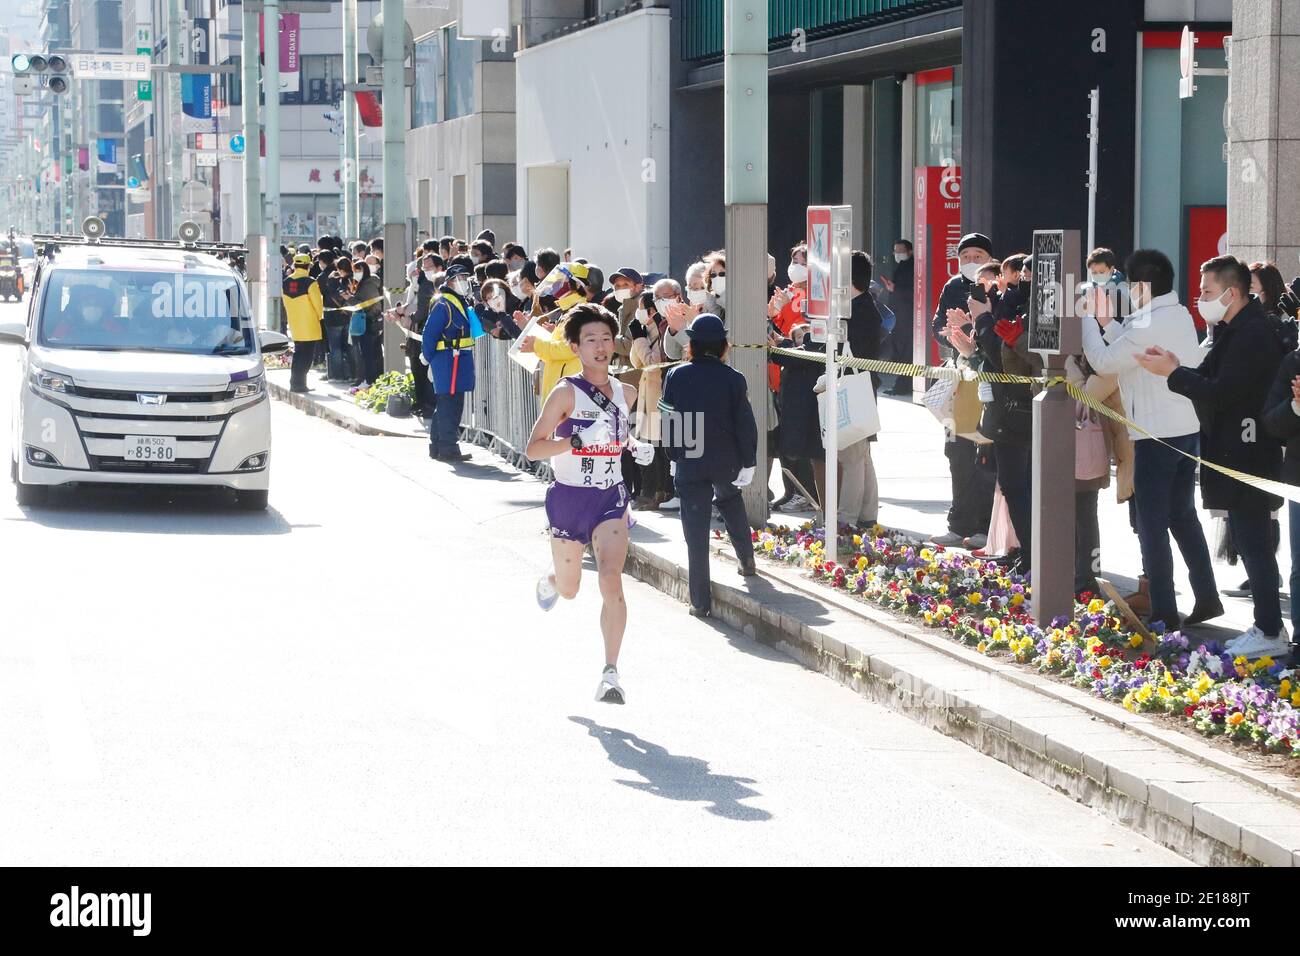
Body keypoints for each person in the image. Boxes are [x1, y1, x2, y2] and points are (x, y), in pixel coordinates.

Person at [1137, 254, 1287, 656]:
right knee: (1249, 539)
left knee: (1254, 543)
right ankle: (1267, 627)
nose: (1200, 297)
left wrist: (1171, 373)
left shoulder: (1251, 333)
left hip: (1250, 452)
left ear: (1232, 293)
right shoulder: (1232, 329)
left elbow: (1221, 390)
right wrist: (1174, 368)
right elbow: (1211, 379)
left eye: (1206, 291)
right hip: (1238, 449)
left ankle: (1270, 630)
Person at [1081, 248, 1219, 633]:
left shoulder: (1148, 322)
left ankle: (1163, 610)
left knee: (1152, 524)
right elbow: (1125, 343)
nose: (1121, 288)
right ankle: (1206, 596)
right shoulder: (1171, 313)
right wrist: (1107, 323)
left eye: (1126, 282)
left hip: (1155, 436)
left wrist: (1089, 321)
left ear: (1141, 285)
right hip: (1183, 429)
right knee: (1182, 517)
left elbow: (1105, 361)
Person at [526, 304, 655, 704]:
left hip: (609, 496)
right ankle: (551, 580)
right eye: (590, 340)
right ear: (575, 347)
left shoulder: (626, 392)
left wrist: (635, 446)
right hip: (569, 497)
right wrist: (573, 442)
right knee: (569, 589)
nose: (600, 347)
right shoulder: (565, 392)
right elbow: (534, 449)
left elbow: (615, 438)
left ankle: (610, 672)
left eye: (605, 339)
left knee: (611, 578)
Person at [658, 314, 758, 617]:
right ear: (724, 345)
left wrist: (674, 456)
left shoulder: (675, 375)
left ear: (692, 345)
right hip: (725, 460)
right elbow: (746, 425)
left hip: (690, 457)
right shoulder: (734, 378)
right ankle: (747, 561)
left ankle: (699, 602)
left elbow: (667, 419)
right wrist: (748, 461)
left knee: (695, 532)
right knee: (730, 502)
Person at [930, 233, 998, 547]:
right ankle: (958, 524)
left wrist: (969, 330)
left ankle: (985, 525)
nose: (971, 260)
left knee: (985, 456)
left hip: (988, 383)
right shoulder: (952, 287)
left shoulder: (997, 287)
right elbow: (937, 326)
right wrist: (950, 335)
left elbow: (994, 334)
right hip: (959, 380)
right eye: (966, 255)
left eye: (978, 254)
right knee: (955, 451)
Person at [839, 250, 883, 528]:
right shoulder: (861, 305)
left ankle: (846, 518)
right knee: (861, 453)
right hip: (861, 386)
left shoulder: (860, 309)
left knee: (853, 454)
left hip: (857, 386)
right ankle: (867, 514)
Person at [421, 264, 477, 462]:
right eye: (460, 278)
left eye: (465, 278)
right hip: (447, 360)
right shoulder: (444, 304)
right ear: (450, 281)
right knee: (450, 405)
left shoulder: (458, 302)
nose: (464, 282)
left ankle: (438, 445)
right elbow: (430, 332)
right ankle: (448, 448)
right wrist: (426, 356)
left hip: (456, 359)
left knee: (448, 403)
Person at [283, 253, 324, 393]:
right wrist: (320, 318)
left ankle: (295, 383)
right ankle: (300, 384)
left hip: (295, 324)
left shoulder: (286, 281)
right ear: (308, 265)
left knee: (298, 354)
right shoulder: (310, 282)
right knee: (306, 356)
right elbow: (318, 305)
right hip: (309, 324)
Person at [880, 238, 915, 394]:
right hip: (899, 316)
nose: (898, 254)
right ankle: (901, 385)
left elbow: (914, 292)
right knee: (900, 351)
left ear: (910, 252)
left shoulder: (913, 268)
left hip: (908, 317)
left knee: (906, 351)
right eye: (896, 251)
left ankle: (903, 386)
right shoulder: (901, 267)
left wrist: (896, 289)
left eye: (901, 251)